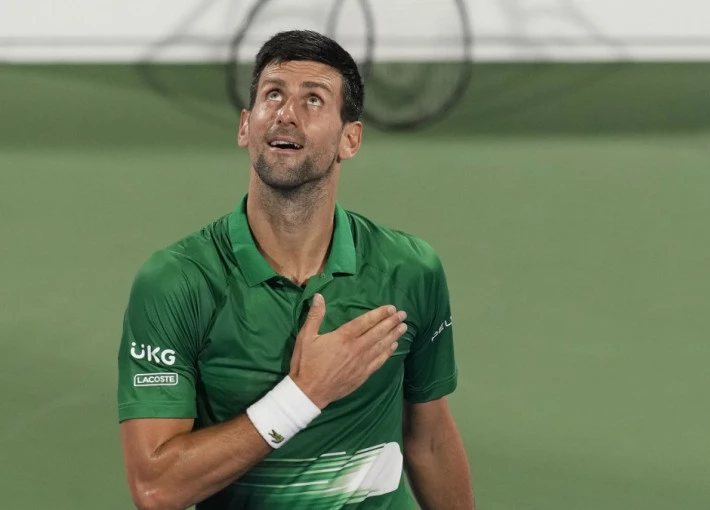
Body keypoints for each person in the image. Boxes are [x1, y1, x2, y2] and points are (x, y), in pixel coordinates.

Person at [117, 29, 474, 510]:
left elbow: (428, 440)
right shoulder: (176, 282)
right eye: (273, 95)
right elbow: (156, 488)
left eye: (313, 100)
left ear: (350, 139)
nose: (286, 113)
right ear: (246, 126)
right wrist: (304, 394)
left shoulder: (411, 270)